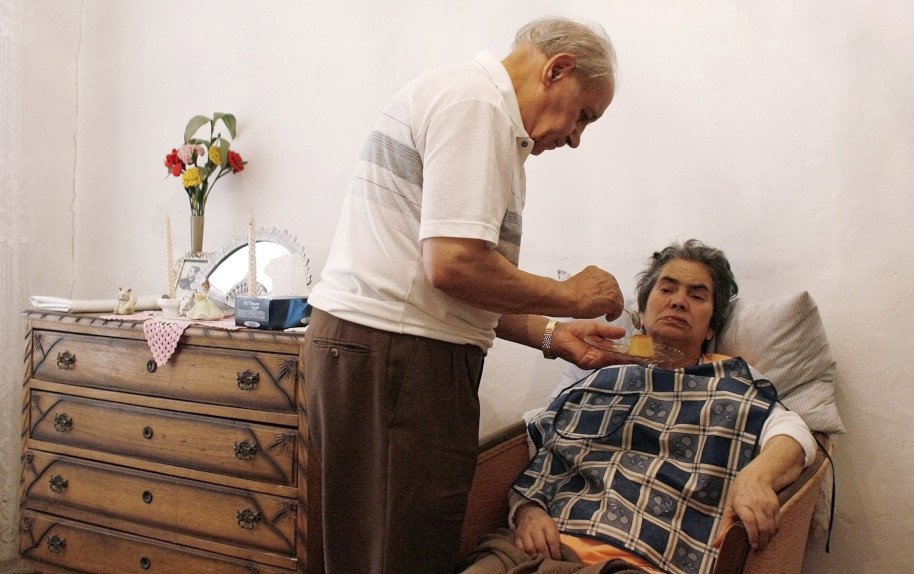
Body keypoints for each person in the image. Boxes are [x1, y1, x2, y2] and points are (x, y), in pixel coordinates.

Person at [303, 17, 629, 574]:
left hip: (384, 354)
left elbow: (464, 287)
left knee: (368, 549)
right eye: (584, 115)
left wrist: (551, 334)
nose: (576, 137)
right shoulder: (477, 107)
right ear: (558, 69)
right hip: (399, 360)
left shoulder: (475, 107)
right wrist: (568, 297)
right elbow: (453, 265)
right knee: (397, 553)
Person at [456, 240, 817, 574]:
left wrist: (757, 477)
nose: (678, 301)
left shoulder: (734, 386)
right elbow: (544, 444)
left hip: (643, 561)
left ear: (711, 327)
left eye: (697, 295)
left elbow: (794, 434)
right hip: (539, 550)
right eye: (667, 289)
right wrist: (528, 512)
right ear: (641, 315)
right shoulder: (601, 378)